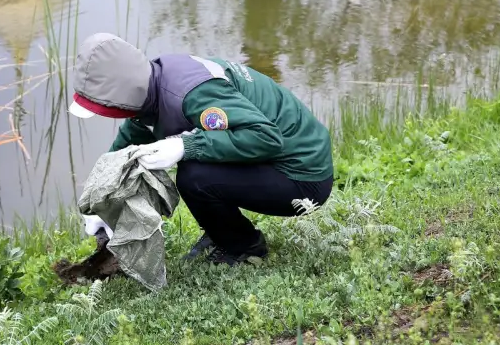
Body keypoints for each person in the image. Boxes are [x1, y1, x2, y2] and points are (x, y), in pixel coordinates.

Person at [68, 32, 334, 266]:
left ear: (120, 97)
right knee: (197, 164)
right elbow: (123, 152)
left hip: (304, 177)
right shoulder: (152, 84)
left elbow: (265, 138)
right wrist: (99, 203)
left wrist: (184, 145)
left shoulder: (190, 94)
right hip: (275, 162)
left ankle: (244, 248)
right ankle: (220, 230)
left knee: (195, 175)